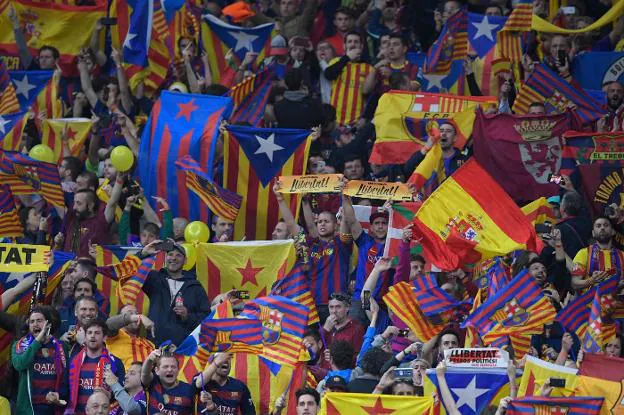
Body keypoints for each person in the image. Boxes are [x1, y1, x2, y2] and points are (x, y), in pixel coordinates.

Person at [138, 241, 211, 345]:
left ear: (185, 261)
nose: (173, 258)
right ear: (165, 258)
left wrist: (187, 316)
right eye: (170, 254)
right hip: (154, 346)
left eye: (178, 255)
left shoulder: (195, 287)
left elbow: (206, 318)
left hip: (181, 348)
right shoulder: (154, 279)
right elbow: (129, 271)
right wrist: (142, 253)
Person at [12, 307, 69, 415]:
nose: (35, 324)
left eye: (39, 321)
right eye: (32, 322)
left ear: (49, 324)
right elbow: (20, 365)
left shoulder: (61, 346)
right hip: (28, 410)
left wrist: (59, 394)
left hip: (52, 408)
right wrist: (37, 341)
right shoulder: (20, 345)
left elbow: (65, 376)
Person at [62, 319, 125, 415]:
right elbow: (64, 389)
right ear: (85, 337)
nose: (92, 336)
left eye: (97, 333)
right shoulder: (73, 361)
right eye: (89, 333)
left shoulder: (115, 362)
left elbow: (123, 393)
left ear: (104, 337)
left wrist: (110, 394)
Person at [324, 31, 376, 126]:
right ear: (344, 46)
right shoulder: (336, 62)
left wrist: (365, 118)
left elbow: (372, 96)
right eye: (350, 41)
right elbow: (328, 75)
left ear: (361, 46)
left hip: (356, 122)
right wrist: (347, 58)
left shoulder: (369, 69)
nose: (353, 44)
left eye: (356, 42)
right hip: (335, 121)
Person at [55, 187, 120, 257]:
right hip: (67, 266)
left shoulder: (100, 222)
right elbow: (55, 200)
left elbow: (112, 202)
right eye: (74, 203)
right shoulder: (71, 218)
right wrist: (58, 244)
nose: (74, 207)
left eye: (79, 203)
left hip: (88, 267)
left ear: (91, 205)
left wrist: (119, 180)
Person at [572, 217, 624, 291]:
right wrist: (591, 280)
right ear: (593, 233)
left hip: (617, 301)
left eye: (606, 225)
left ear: (613, 231)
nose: (602, 228)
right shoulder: (584, 253)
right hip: (592, 301)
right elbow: (574, 283)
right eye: (598, 226)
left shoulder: (622, 255)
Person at [142, 348, 198, 413]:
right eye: (165, 367)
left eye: (173, 367)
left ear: (178, 370)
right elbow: (144, 374)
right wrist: (149, 360)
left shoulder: (189, 390)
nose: (170, 370)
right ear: (157, 370)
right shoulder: (153, 383)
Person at [105, 304, 156, 368]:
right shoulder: (114, 336)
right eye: (130, 314)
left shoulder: (150, 344)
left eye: (136, 313)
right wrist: (139, 317)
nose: (136, 316)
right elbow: (108, 324)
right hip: (124, 377)